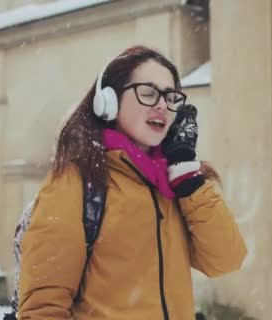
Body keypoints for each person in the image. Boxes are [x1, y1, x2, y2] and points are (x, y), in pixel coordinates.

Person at [17, 46, 247, 320]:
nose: (162, 105)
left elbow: (226, 259)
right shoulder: (78, 181)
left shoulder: (174, 184)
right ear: (108, 101)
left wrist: (187, 174)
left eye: (170, 96)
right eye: (148, 93)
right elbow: (43, 309)